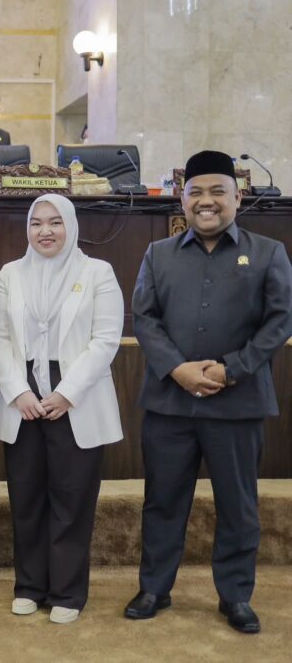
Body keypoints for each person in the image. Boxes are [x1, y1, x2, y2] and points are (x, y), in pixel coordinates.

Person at [125, 151, 292, 634]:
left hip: (237, 403)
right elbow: (146, 319)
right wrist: (177, 369)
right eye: (196, 191)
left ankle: (236, 596)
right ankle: (154, 587)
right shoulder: (158, 254)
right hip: (169, 404)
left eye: (218, 191)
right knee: (162, 501)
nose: (206, 201)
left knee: (237, 505)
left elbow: (280, 320)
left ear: (238, 198)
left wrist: (230, 370)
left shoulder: (268, 253)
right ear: (182, 198)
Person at [0, 194, 124, 624]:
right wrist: (16, 390)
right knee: (26, 498)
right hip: (22, 400)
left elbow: (106, 340)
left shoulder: (97, 272)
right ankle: (29, 586)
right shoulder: (10, 273)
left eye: (54, 222)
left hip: (76, 400)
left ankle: (67, 592)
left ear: (70, 225)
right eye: (36, 223)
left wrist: (67, 393)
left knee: (72, 500)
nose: (45, 231)